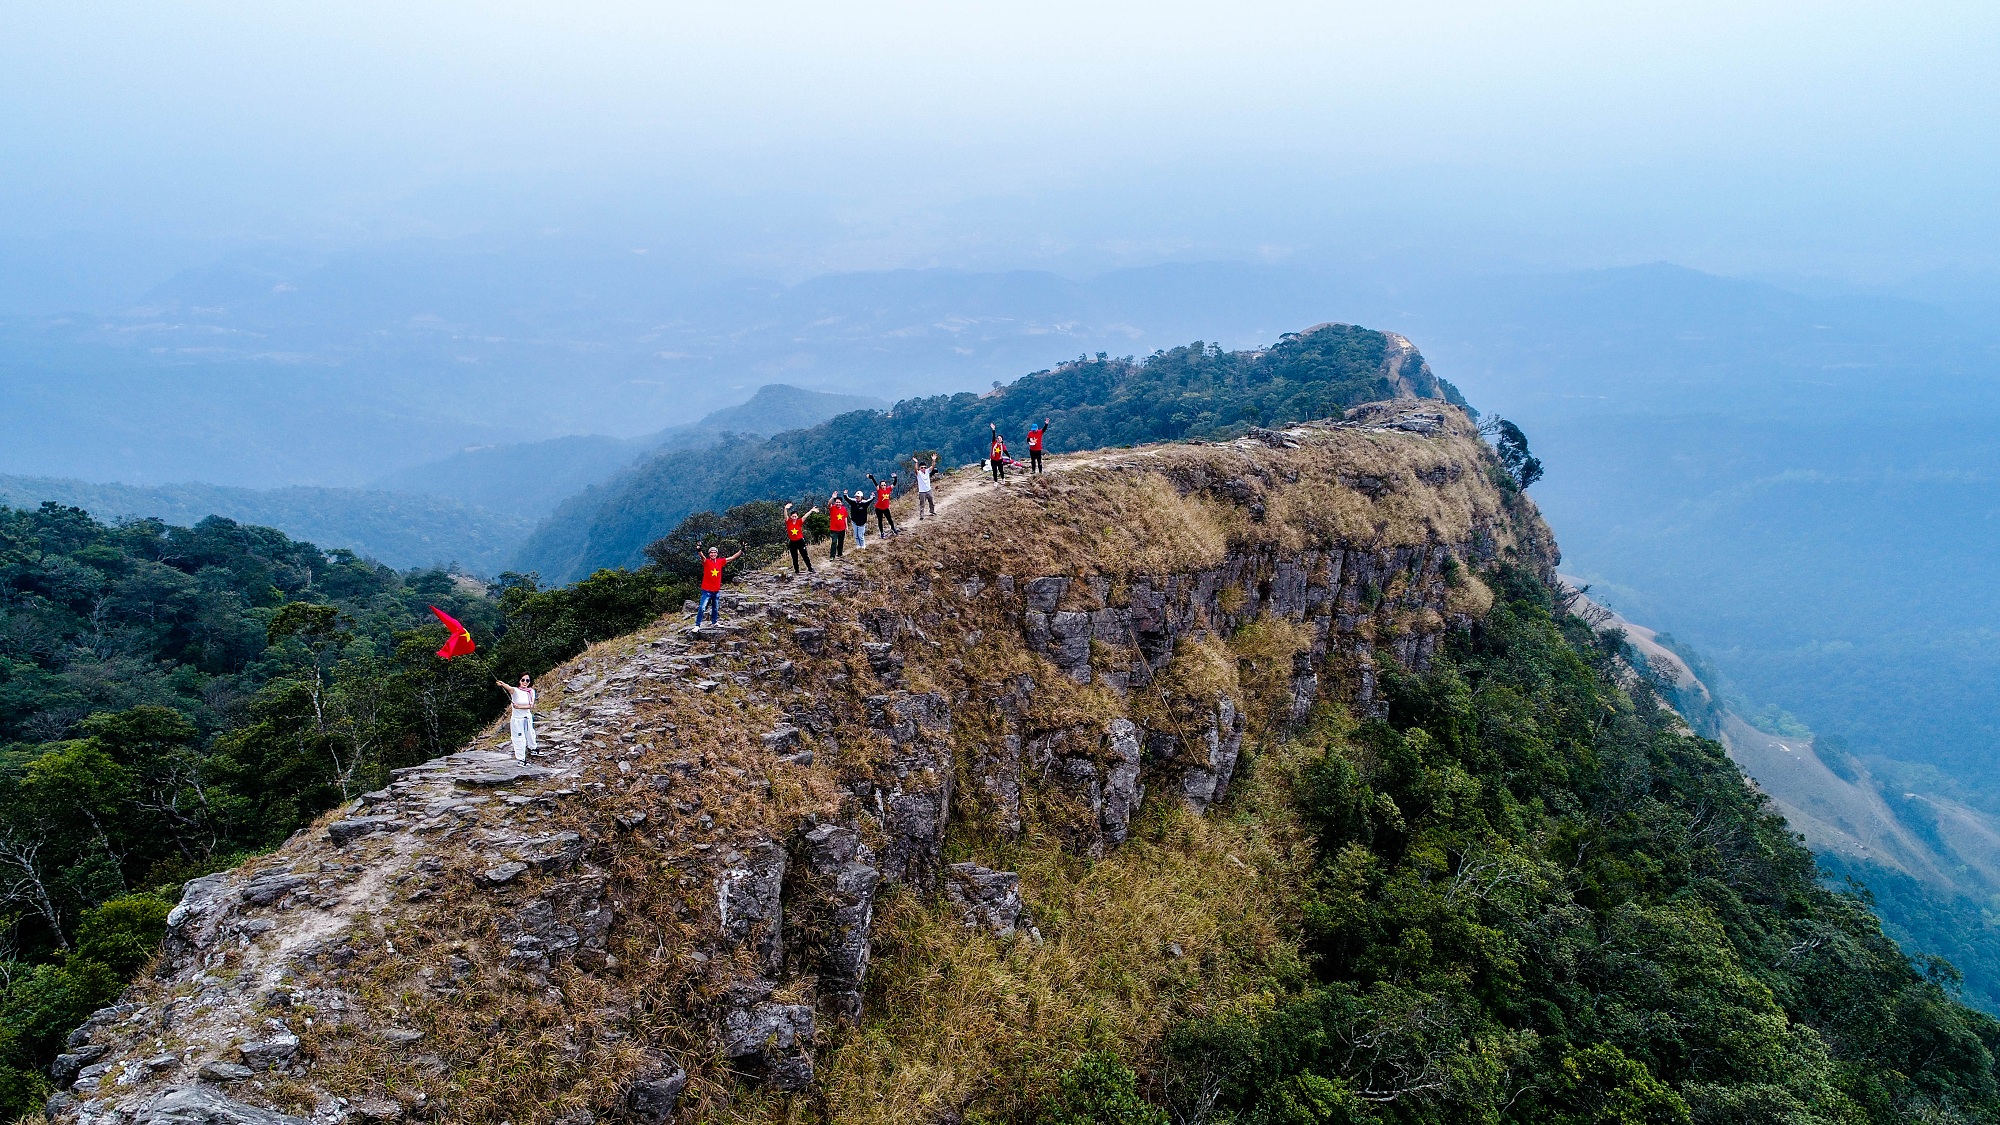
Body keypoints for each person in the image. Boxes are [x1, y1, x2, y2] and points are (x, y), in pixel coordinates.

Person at [495, 673, 537, 763]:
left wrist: (519, 707)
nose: (525, 682)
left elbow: (531, 705)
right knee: (519, 739)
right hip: (517, 719)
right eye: (523, 680)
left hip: (527, 717)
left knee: (530, 734)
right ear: (519, 680)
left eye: (527, 680)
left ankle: (533, 749)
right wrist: (502, 684)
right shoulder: (515, 691)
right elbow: (509, 688)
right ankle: (521, 758)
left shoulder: (531, 692)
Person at [694, 544, 740, 624]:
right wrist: (699, 550)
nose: (713, 554)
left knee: (715, 608)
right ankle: (697, 625)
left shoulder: (720, 561)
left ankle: (714, 623)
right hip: (707, 590)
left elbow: (733, 557)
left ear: (717, 554)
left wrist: (741, 550)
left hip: (716, 590)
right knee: (702, 607)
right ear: (709, 554)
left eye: (714, 552)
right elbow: (702, 557)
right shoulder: (706, 562)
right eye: (711, 553)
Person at [783, 502, 818, 573]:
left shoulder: (799, 522)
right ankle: (796, 570)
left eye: (795, 516)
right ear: (791, 516)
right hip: (792, 542)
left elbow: (805, 516)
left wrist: (811, 511)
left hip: (800, 541)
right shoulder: (788, 522)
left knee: (805, 555)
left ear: (797, 516)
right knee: (794, 557)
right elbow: (785, 516)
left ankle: (810, 568)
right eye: (793, 516)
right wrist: (785, 508)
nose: (794, 518)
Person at [826, 492, 850, 559]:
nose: (838, 503)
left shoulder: (844, 509)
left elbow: (845, 518)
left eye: (839, 502)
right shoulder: (832, 508)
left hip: (842, 529)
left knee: (841, 542)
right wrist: (833, 497)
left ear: (841, 503)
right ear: (835, 502)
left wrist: (846, 527)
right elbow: (829, 504)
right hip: (834, 529)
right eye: (837, 502)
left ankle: (840, 554)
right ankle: (832, 556)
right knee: (834, 542)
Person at [913, 454, 937, 519]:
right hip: (922, 492)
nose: (923, 469)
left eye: (924, 467)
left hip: (928, 490)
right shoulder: (918, 473)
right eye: (922, 467)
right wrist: (916, 463)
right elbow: (915, 469)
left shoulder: (927, 471)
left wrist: (933, 460)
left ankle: (932, 511)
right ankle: (921, 515)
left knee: (931, 502)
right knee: (922, 504)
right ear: (919, 468)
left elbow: (933, 466)